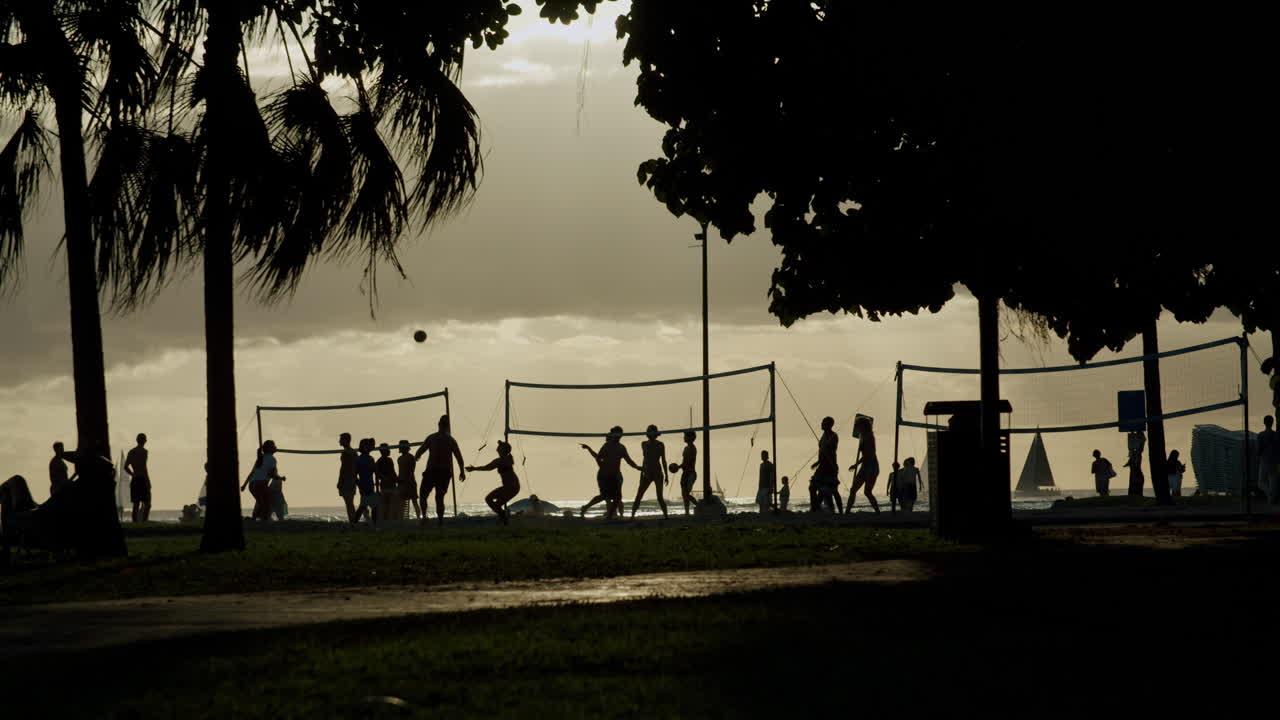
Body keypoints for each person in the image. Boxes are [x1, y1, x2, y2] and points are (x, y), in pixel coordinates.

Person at [414, 416, 466, 526]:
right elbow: (420, 451)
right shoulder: (434, 438)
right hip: (434, 471)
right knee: (427, 495)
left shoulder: (448, 440)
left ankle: (437, 520)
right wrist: (416, 457)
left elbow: (459, 457)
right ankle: (428, 518)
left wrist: (462, 471)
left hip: (442, 472)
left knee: (438, 496)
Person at [580, 426, 641, 519]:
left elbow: (628, 460)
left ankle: (609, 516)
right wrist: (602, 466)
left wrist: (637, 467)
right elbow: (598, 457)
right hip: (604, 475)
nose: (618, 437)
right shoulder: (607, 445)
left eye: (619, 435)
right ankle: (585, 508)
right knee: (604, 496)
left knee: (617, 498)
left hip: (615, 475)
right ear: (613, 435)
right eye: (616, 434)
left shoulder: (621, 447)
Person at [467, 440, 521, 525]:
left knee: (491, 500)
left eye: (499, 447)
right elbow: (490, 466)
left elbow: (488, 467)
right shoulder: (508, 458)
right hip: (512, 487)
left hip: (511, 487)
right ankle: (504, 518)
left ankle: (504, 518)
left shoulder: (503, 460)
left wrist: (474, 469)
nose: (497, 448)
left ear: (503, 450)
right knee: (494, 503)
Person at [631, 425, 669, 518]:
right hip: (646, 472)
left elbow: (663, 460)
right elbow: (645, 459)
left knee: (659, 497)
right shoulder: (644, 444)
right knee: (639, 494)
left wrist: (667, 475)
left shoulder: (660, 444)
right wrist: (642, 471)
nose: (647, 433)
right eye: (647, 431)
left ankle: (666, 516)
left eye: (650, 431)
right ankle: (632, 516)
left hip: (657, 472)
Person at [847, 416, 881, 514]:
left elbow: (868, 454)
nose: (856, 427)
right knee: (853, 489)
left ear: (863, 426)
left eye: (858, 425)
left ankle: (878, 512)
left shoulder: (869, 436)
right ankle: (847, 511)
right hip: (865, 466)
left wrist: (856, 465)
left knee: (867, 491)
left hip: (872, 466)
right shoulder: (862, 436)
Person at [811, 417, 841, 513]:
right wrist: (818, 462)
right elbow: (822, 452)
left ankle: (840, 512)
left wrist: (819, 461)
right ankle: (816, 509)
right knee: (814, 487)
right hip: (822, 466)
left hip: (830, 466)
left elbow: (830, 451)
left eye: (824, 423)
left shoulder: (833, 436)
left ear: (829, 425)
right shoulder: (823, 435)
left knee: (833, 490)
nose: (821, 424)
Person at [124, 433, 151, 523]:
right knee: (147, 503)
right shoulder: (144, 452)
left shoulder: (131, 452)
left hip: (135, 479)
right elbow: (144, 468)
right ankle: (144, 521)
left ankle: (135, 522)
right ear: (144, 441)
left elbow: (125, 466)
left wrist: (132, 474)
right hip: (142, 479)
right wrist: (148, 481)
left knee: (136, 504)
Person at [353, 438, 379, 525]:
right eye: (368, 446)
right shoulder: (367, 459)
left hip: (365, 485)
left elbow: (354, 475)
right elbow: (376, 472)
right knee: (372, 506)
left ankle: (354, 523)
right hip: (367, 485)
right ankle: (374, 525)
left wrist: (359, 485)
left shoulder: (360, 459)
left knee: (364, 505)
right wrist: (359, 484)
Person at [397, 440, 423, 521]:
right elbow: (400, 471)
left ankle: (419, 517)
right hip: (402, 482)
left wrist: (406, 480)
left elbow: (411, 470)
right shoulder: (400, 459)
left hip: (410, 482)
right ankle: (403, 518)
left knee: (414, 501)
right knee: (403, 502)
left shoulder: (410, 457)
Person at [241, 447, 268, 520]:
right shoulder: (263, 462)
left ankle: (256, 517)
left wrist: (244, 485)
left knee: (260, 501)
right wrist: (244, 485)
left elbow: (251, 474)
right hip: (256, 484)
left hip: (252, 485)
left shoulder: (258, 462)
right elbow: (251, 474)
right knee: (262, 502)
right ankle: (259, 517)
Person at [337, 433, 358, 522]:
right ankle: (353, 520)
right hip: (352, 479)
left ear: (346, 440)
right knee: (350, 503)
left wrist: (340, 481)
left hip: (347, 480)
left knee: (349, 503)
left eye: (341, 439)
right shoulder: (354, 452)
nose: (339, 441)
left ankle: (353, 520)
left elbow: (344, 469)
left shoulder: (346, 453)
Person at [376, 443, 398, 521]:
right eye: (387, 449)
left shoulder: (389, 460)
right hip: (386, 485)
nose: (389, 451)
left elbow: (393, 472)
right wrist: (377, 489)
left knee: (390, 504)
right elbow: (377, 475)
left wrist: (397, 481)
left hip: (391, 484)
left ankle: (390, 519)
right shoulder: (379, 461)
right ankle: (387, 519)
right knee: (387, 504)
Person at [1257, 416, 1277, 503]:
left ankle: (1270, 495)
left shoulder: (1261, 435)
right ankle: (1271, 499)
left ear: (1264, 422)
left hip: (1264, 460)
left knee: (1261, 482)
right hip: (1274, 461)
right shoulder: (1276, 434)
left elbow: (1259, 449)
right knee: (1272, 480)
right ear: (1272, 422)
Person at [678, 431, 698, 515]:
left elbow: (687, 462)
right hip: (685, 473)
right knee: (684, 494)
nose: (684, 437)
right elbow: (684, 461)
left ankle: (699, 505)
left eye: (685, 436)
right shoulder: (686, 448)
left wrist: (678, 467)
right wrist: (679, 467)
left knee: (686, 494)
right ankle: (687, 512)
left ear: (690, 438)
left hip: (691, 474)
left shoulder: (692, 448)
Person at [1125, 430, 1146, 497]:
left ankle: (1135, 493)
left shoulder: (1136, 454)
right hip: (1135, 467)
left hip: (1135, 469)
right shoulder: (1136, 454)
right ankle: (1135, 493)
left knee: (1135, 479)